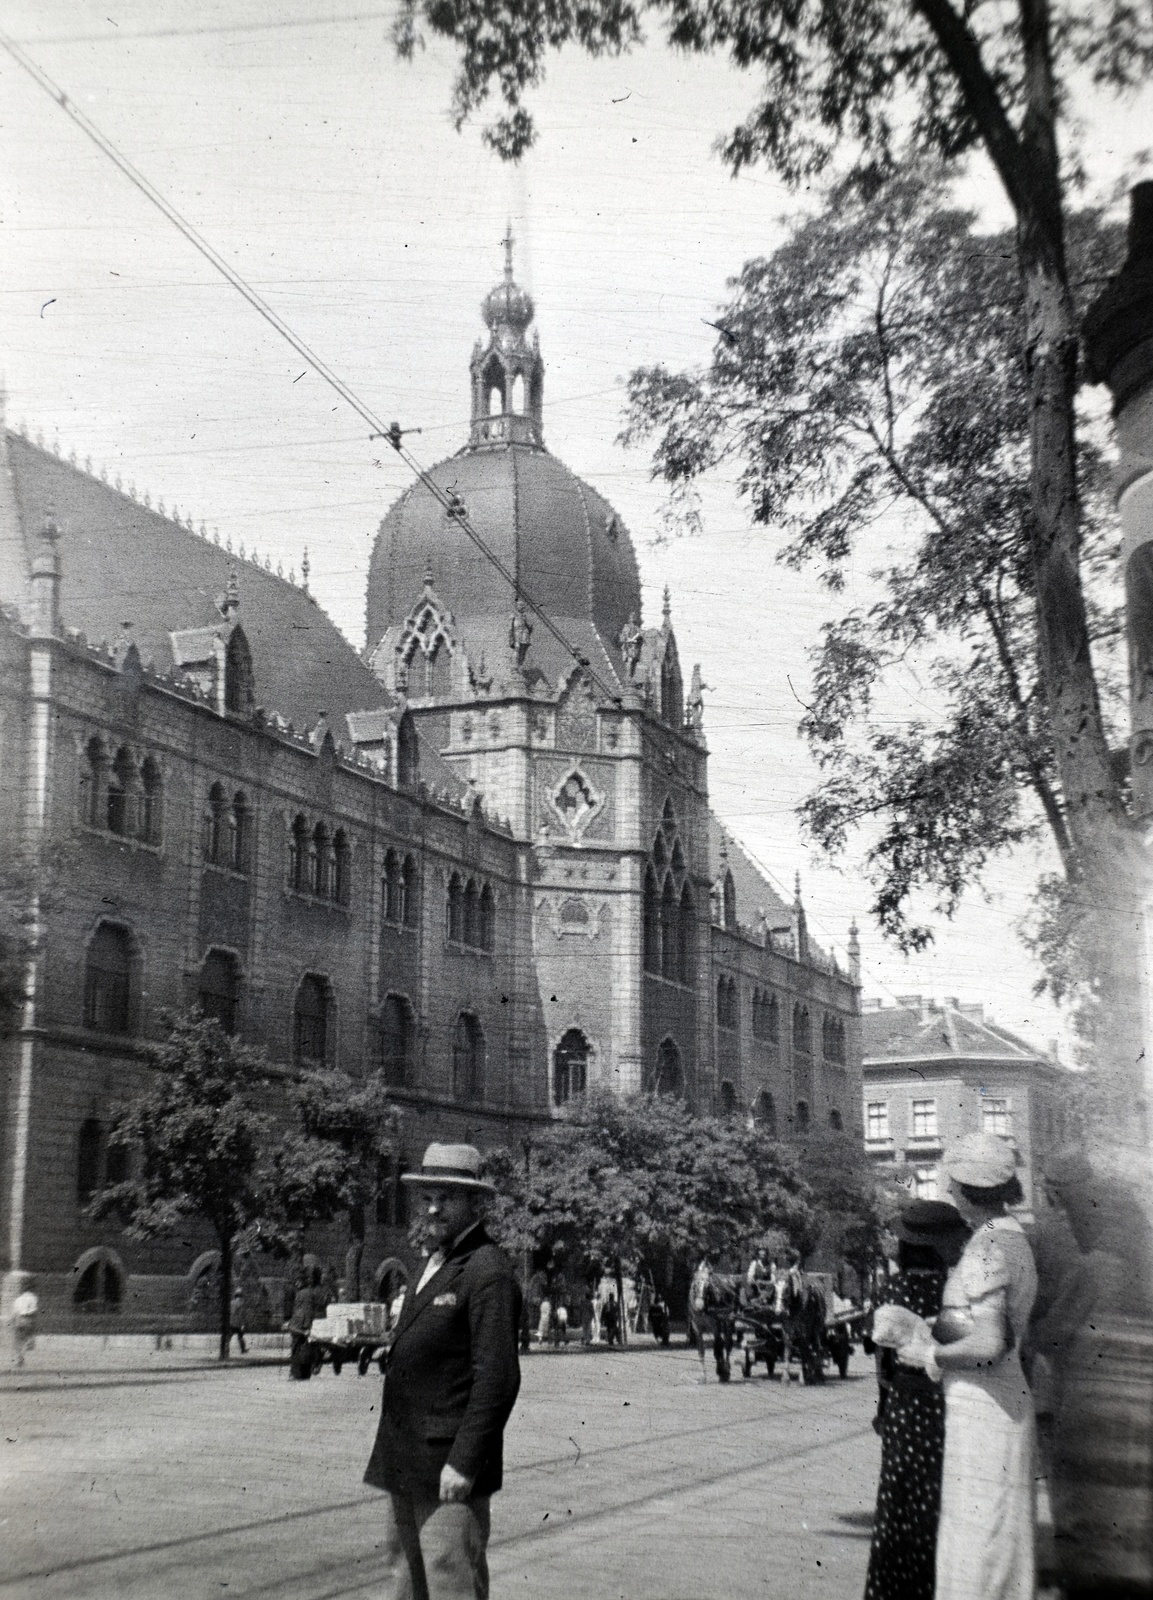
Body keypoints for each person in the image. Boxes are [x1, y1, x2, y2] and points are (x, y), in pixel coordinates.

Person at [364, 1143, 521, 1600]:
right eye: (428, 1195)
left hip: (449, 1466)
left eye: (447, 1197)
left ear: (475, 1203)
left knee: (449, 1579)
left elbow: (497, 1378)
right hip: (406, 1454)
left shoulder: (486, 1269)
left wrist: (464, 1462)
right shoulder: (434, 1262)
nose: (433, 1206)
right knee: (405, 1579)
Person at [898, 1134, 1037, 1600]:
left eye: (951, 1181)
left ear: (964, 1187)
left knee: (978, 1548)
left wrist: (930, 1353)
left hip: (984, 1407)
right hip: (1001, 1401)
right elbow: (993, 1327)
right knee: (995, 1541)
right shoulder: (1011, 1236)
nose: (949, 1191)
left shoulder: (985, 1248)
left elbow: (990, 1342)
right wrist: (937, 1325)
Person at [864, 1198, 969, 1600]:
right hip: (947, 1405)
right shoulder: (955, 1292)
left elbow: (883, 1364)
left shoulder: (892, 1290)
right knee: (940, 1503)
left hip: (905, 1407)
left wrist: (882, 1410)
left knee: (898, 1501)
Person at [286, 1266, 321, 1380]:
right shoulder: (305, 1292)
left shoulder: (304, 1293)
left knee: (296, 1349)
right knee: (305, 1349)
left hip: (300, 1325)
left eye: (297, 1281)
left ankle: (295, 1374)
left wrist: (306, 1327)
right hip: (300, 1324)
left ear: (302, 1282)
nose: (296, 1284)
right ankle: (304, 1374)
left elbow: (307, 1310)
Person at [10, 1278, 38, 1368]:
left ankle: (20, 1357)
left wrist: (14, 1322)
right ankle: (24, 1351)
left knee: (18, 1340)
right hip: (29, 1318)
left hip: (19, 1319)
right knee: (27, 1338)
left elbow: (14, 1312)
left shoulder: (18, 1299)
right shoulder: (33, 1298)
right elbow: (34, 1310)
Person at [229, 1284, 248, 1356]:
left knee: (230, 1336)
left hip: (232, 1322)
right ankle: (243, 1349)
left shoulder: (231, 1302)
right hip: (238, 1323)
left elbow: (231, 1312)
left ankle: (226, 1349)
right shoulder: (241, 1303)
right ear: (240, 1296)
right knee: (240, 1337)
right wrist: (242, 1324)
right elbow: (241, 1315)